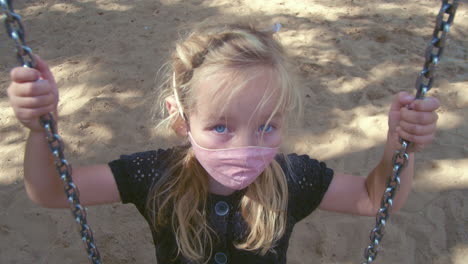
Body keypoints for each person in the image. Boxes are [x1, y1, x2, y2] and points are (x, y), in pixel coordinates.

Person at [7, 23, 439, 264]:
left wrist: (398, 149)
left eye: (267, 125)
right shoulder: (156, 176)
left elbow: (372, 198)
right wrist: (41, 130)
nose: (246, 147)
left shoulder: (291, 178)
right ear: (181, 119)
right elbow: (49, 191)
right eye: (220, 127)